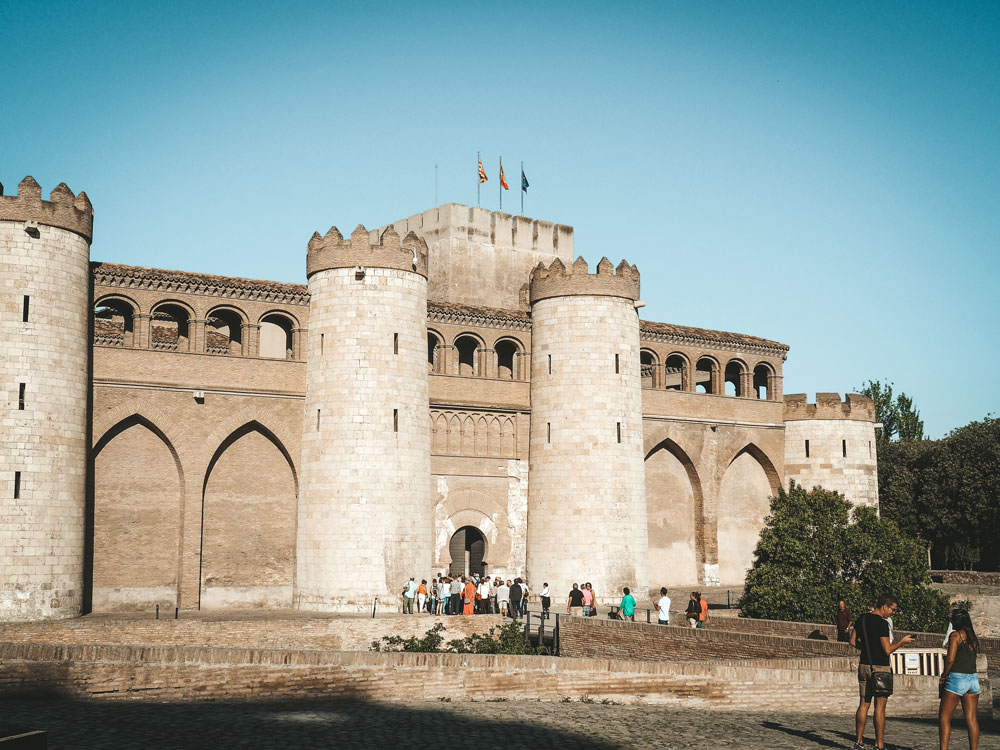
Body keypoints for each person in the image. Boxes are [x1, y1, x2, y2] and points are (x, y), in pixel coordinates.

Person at [849, 593, 914, 750]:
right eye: (893, 609)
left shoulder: (862, 618)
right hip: (880, 668)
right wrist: (902, 642)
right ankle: (879, 744)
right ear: (885, 606)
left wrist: (866, 648)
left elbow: (851, 641)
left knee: (863, 704)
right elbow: (887, 650)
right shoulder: (882, 624)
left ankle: (859, 742)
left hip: (864, 665)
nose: (892, 613)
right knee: (880, 707)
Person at [938, 609, 980, 750]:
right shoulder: (972, 636)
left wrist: (944, 675)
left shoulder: (955, 635)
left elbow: (950, 659)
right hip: (973, 679)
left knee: (944, 718)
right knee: (972, 719)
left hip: (957, 678)